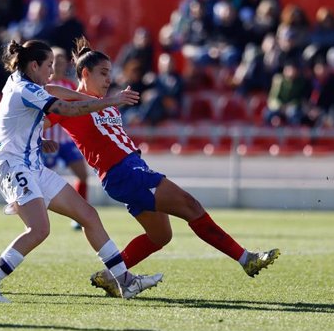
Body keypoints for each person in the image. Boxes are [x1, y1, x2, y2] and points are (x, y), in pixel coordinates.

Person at [45, 37, 279, 298]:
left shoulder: (105, 102)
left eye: (110, 73)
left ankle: (113, 276)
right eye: (103, 73)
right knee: (191, 206)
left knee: (160, 236)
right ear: (85, 73)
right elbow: (49, 94)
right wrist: (40, 139)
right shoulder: (73, 105)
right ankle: (246, 258)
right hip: (122, 173)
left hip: (133, 169)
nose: (109, 79)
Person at [0, 39, 162, 303]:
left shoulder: (21, 81)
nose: (52, 71)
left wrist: (37, 138)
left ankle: (125, 281)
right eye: (49, 65)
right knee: (39, 229)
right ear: (34, 64)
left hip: (31, 165)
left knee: (88, 215)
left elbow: (51, 95)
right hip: (13, 166)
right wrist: (111, 101)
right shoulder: (26, 89)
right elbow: (69, 109)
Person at [39, 47, 89, 230]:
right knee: (41, 182)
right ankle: (37, 215)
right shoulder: (42, 88)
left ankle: (80, 216)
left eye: (61, 59)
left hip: (67, 142)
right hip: (47, 141)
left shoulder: (69, 87)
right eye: (55, 59)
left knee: (82, 175)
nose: (59, 63)